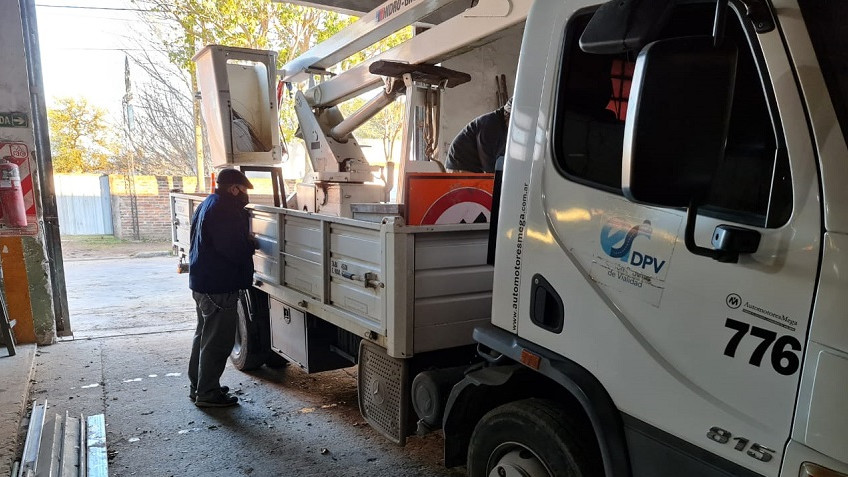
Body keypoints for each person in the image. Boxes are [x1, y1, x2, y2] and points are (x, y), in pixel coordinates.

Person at [187, 168, 257, 408]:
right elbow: (232, 249)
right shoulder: (224, 210)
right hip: (219, 286)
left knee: (203, 337)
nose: (245, 195)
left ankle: (199, 387)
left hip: (203, 282)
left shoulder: (207, 203)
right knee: (217, 342)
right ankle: (208, 393)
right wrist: (251, 245)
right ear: (234, 189)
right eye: (243, 190)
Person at [444, 97, 512, 173]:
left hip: (471, 167)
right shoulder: (491, 124)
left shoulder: (503, 127)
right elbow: (488, 162)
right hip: (461, 165)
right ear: (508, 116)